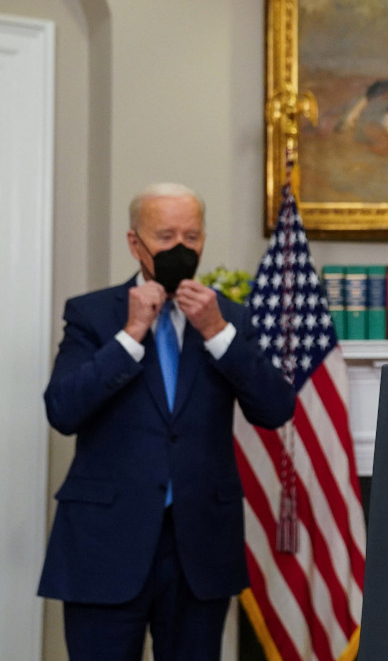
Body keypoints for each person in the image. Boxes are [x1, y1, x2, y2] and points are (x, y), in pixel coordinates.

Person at [38, 183, 297, 660]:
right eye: (165, 236)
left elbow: (276, 408)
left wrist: (218, 334)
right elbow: (63, 410)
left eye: (192, 236)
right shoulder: (92, 314)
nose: (181, 248)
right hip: (106, 543)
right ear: (135, 243)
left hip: (199, 547)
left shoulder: (231, 317)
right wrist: (131, 333)